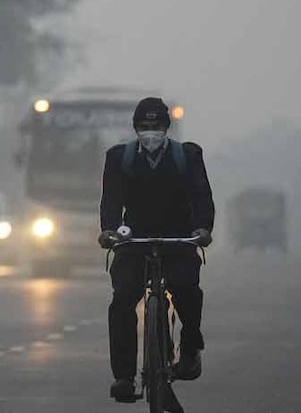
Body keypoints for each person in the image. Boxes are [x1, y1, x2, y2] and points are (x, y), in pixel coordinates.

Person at [97, 97, 215, 402]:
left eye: (156, 126)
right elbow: (110, 200)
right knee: (123, 299)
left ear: (167, 127)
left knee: (187, 289)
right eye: (144, 126)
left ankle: (190, 350)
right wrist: (109, 231)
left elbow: (201, 195)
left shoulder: (187, 156)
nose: (150, 132)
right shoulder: (118, 158)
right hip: (133, 240)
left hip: (178, 238)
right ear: (136, 128)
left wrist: (203, 229)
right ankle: (124, 376)